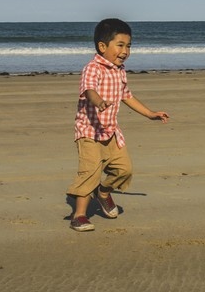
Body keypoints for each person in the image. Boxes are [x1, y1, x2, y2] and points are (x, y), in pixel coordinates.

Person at [66, 18, 169, 232]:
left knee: (125, 170)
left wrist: (150, 114)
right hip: (89, 131)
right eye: (120, 45)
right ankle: (79, 215)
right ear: (102, 46)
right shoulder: (92, 68)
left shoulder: (120, 71)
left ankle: (103, 193)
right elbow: (88, 90)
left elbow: (127, 96)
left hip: (111, 131)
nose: (125, 51)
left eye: (128, 46)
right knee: (90, 172)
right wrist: (99, 102)